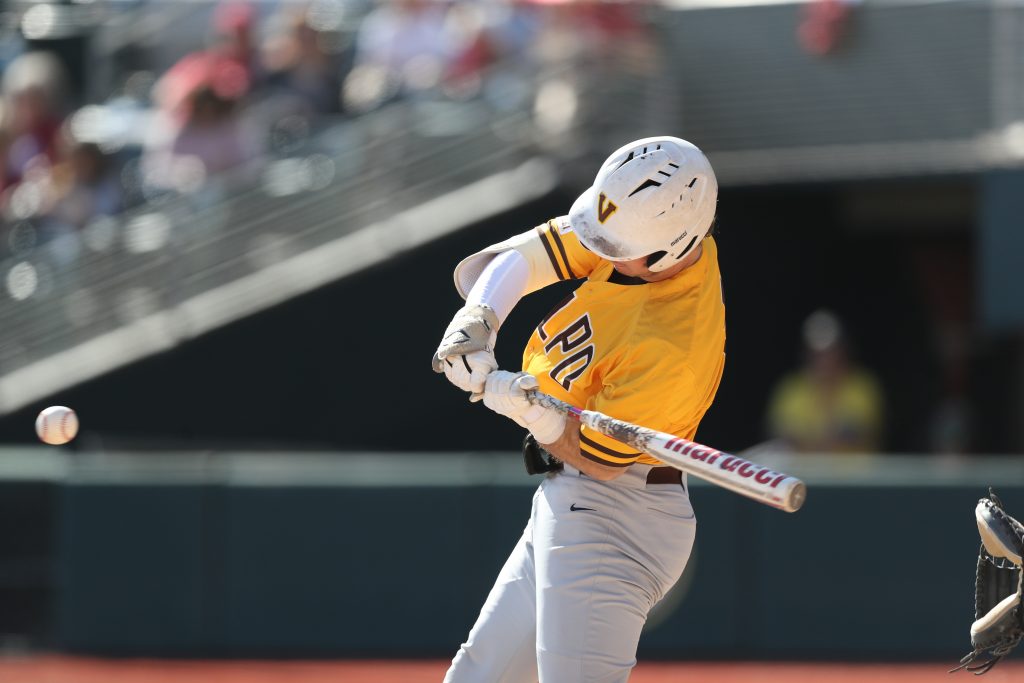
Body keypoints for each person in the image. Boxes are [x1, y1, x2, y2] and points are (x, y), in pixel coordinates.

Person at [431, 136, 725, 682]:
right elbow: (529, 255)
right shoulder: (645, 239)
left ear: (669, 250)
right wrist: (477, 321)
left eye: (619, 248)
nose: (602, 249)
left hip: (618, 515)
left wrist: (530, 411)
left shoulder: (674, 347)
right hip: (572, 498)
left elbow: (598, 459)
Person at [766, 309, 884, 453]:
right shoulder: (792, 390)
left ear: (843, 351)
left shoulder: (862, 387)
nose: (825, 360)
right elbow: (783, 438)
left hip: (855, 475)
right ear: (807, 354)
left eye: (831, 352)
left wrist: (808, 442)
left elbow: (856, 434)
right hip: (803, 473)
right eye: (818, 354)